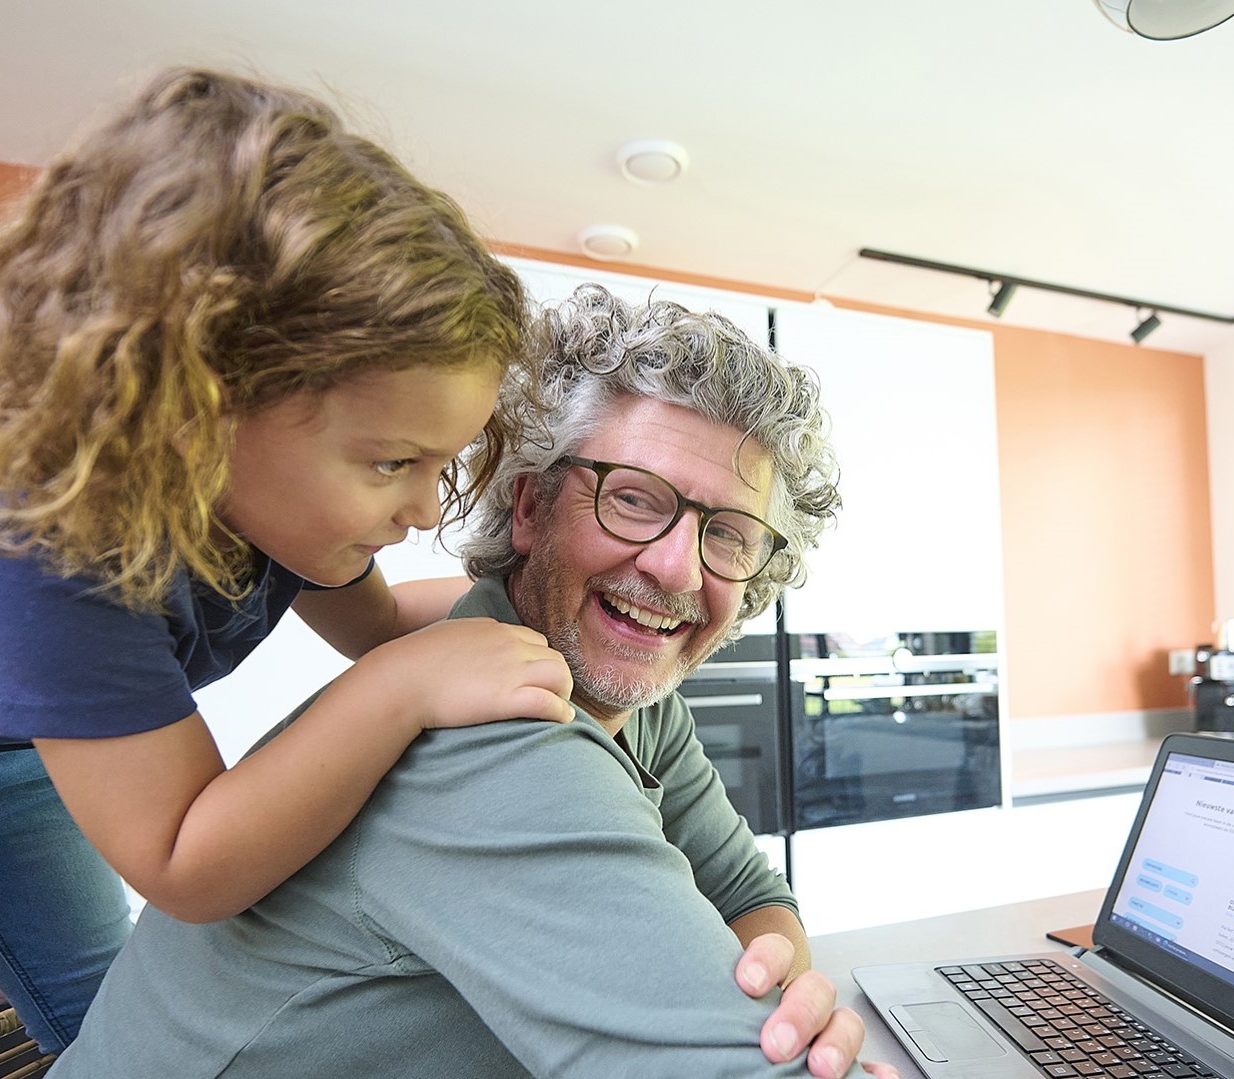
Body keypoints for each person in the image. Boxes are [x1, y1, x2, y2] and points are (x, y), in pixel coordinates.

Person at [0, 66, 581, 1055]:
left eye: (440, 464)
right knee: (120, 1034)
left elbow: (383, 626)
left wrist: (552, 606)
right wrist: (399, 690)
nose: (422, 508)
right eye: (392, 462)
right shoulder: (30, 548)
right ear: (196, 404)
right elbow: (185, 858)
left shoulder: (286, 512)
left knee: (126, 1014)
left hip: (10, 725)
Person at [49, 285, 884, 1077]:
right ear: (529, 510)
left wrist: (770, 966)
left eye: (730, 535)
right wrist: (762, 1020)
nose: (675, 566)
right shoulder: (504, 748)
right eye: (633, 499)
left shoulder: (622, 691)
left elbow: (746, 888)